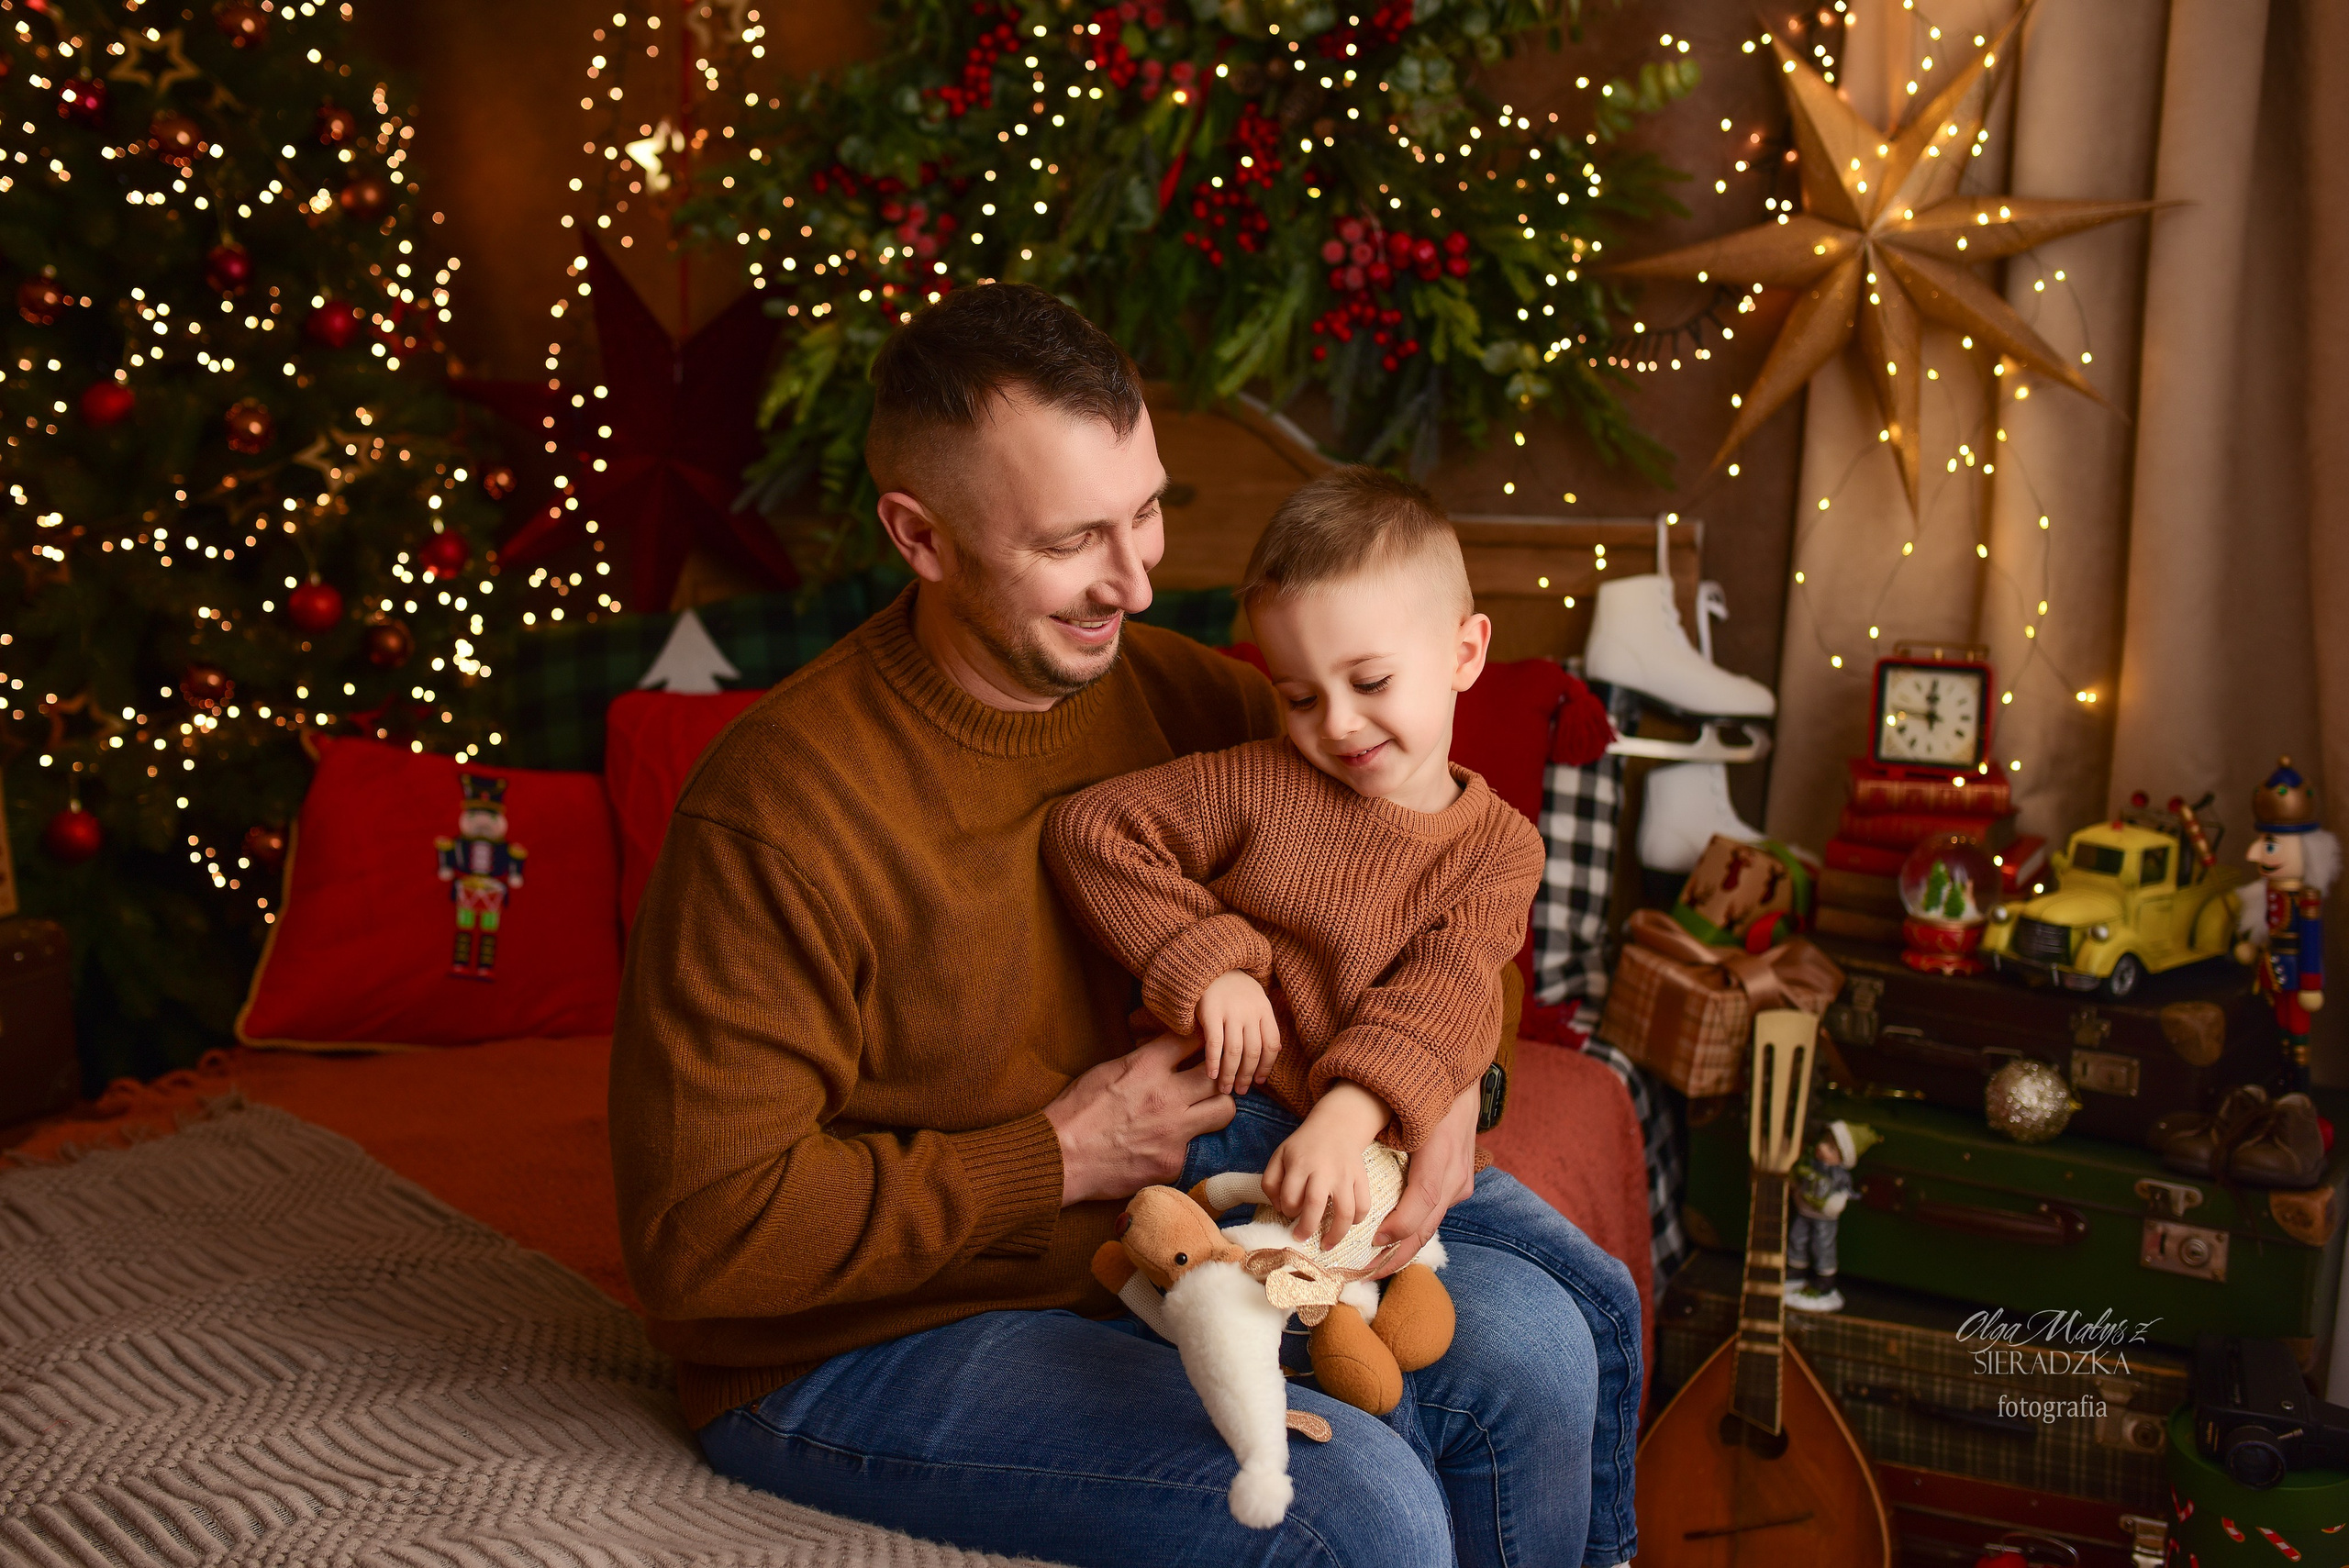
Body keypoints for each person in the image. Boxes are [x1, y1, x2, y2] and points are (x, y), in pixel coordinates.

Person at [609, 282, 1642, 1567]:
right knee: (1356, 1512)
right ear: (919, 537)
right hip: (858, 1346)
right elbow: (704, 1247)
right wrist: (1060, 1153)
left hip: (1186, 1243)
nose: (1138, 582)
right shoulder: (779, 814)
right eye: (1072, 541)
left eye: (1149, 512)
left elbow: (1443, 910)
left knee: (1543, 1349)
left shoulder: (1203, 703)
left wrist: (1438, 1095)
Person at [1041, 469, 1544, 1253]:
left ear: (1465, 651)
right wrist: (1216, 964)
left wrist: (1352, 1116)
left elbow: (1448, 987)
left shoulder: (1502, 848)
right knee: (1262, 1289)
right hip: (1238, 1112)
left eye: (1370, 681)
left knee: (1601, 1300)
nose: (1339, 724)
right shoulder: (1257, 782)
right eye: (1301, 697)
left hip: (1382, 1124)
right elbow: (1092, 830)